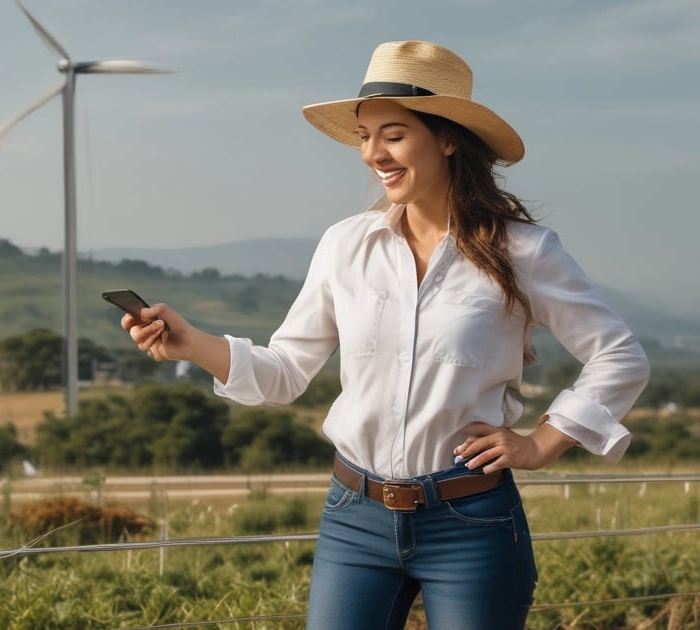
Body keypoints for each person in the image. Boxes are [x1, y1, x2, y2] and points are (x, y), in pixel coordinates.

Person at [120, 40, 650, 629]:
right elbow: (286, 371)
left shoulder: (523, 251)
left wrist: (541, 444)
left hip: (470, 519)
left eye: (393, 134)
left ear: (447, 137)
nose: (373, 152)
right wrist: (190, 342)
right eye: (365, 136)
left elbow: (619, 356)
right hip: (354, 518)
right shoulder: (345, 245)